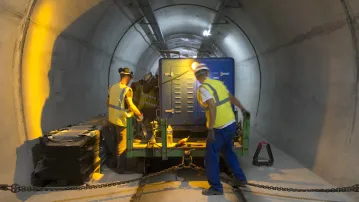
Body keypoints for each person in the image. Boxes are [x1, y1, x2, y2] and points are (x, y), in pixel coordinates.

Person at [193, 63, 250, 195]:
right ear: (207, 73)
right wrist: (242, 109)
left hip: (220, 127)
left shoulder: (203, 88)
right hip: (231, 124)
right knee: (228, 151)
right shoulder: (218, 84)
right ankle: (241, 179)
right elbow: (231, 98)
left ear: (197, 77)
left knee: (211, 155)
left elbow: (212, 106)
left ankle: (216, 187)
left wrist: (211, 129)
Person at [107, 67, 144, 173]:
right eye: (130, 78)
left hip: (112, 118)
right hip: (121, 121)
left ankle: (114, 164)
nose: (130, 80)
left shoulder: (112, 87)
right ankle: (121, 169)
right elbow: (131, 105)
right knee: (122, 145)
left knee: (114, 143)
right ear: (127, 76)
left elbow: (108, 103)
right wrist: (139, 114)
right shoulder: (127, 90)